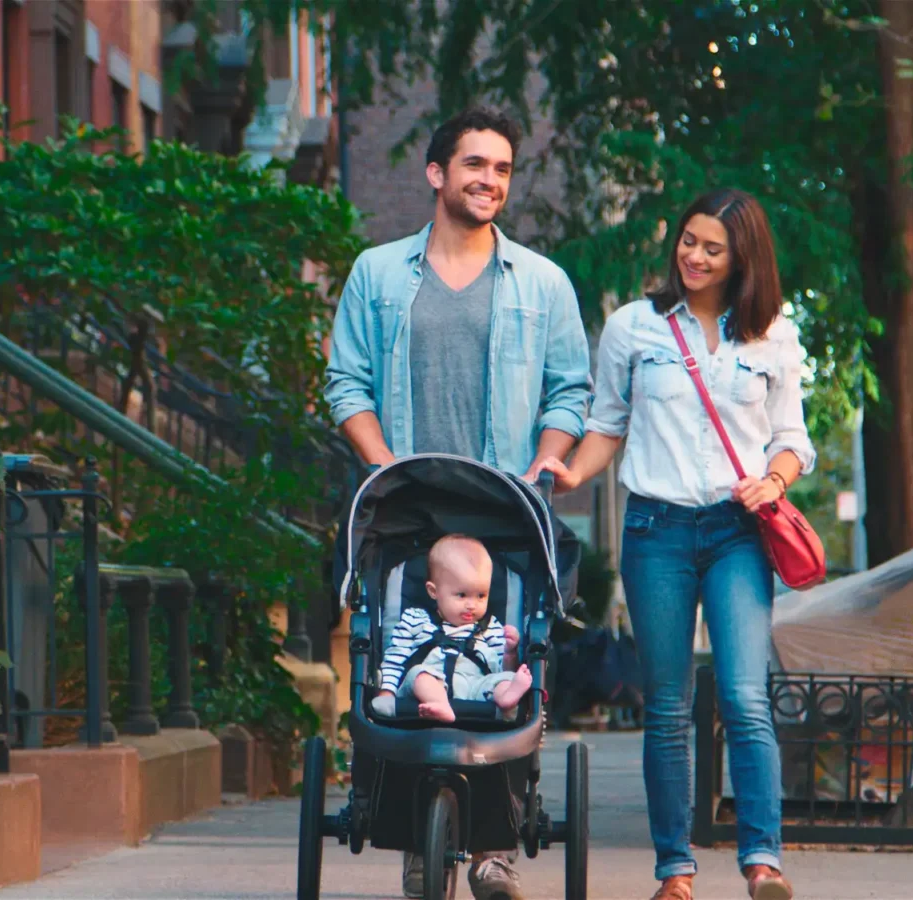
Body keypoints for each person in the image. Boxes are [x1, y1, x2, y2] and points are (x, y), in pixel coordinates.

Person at [325, 105, 592, 900]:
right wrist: (384, 469)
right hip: (408, 508)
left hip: (505, 505)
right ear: (438, 174)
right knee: (396, 648)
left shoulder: (542, 283)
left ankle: (496, 845)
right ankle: (409, 823)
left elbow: (569, 391)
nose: (491, 181)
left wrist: (548, 458)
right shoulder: (377, 273)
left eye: (504, 168)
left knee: (511, 660)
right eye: (476, 164)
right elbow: (346, 382)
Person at [534, 189, 810, 900]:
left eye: (712, 248)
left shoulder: (772, 336)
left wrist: (773, 484)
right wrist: (571, 472)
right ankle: (674, 872)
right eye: (688, 241)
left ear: (741, 258)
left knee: (746, 698)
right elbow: (607, 425)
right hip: (656, 530)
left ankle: (762, 862)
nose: (693, 256)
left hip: (738, 534)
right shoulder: (636, 327)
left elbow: (791, 441)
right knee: (666, 704)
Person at [371, 535, 534, 723]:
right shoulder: (415, 619)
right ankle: (441, 705)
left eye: (481, 595)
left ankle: (507, 699)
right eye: (462, 595)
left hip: (476, 687)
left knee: (502, 679)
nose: (472, 605)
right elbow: (395, 660)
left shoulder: (491, 626)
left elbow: (500, 668)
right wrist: (386, 693)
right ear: (433, 591)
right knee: (419, 675)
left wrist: (510, 653)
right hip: (430, 685)